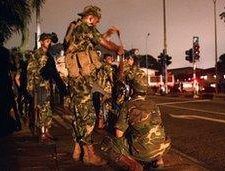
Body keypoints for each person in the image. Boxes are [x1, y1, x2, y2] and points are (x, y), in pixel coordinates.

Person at [63, 5, 124, 165]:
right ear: (90, 18)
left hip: (76, 79)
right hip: (82, 80)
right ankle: (89, 155)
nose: (97, 23)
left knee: (78, 115)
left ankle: (78, 150)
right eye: (97, 20)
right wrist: (117, 48)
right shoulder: (85, 26)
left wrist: (109, 34)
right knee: (88, 116)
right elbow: (102, 42)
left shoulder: (76, 28)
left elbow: (94, 40)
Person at [101, 68, 171, 171]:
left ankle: (134, 166)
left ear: (131, 90)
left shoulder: (127, 105)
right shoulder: (153, 104)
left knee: (106, 143)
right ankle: (158, 161)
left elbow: (118, 134)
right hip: (163, 148)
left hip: (143, 152)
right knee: (158, 134)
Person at [26, 33, 54, 142]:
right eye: (47, 41)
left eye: (50, 41)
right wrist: (30, 86)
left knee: (47, 108)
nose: (49, 43)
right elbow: (30, 70)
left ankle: (47, 130)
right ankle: (42, 133)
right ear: (41, 42)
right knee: (42, 108)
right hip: (39, 85)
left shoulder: (49, 55)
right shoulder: (36, 54)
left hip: (47, 84)